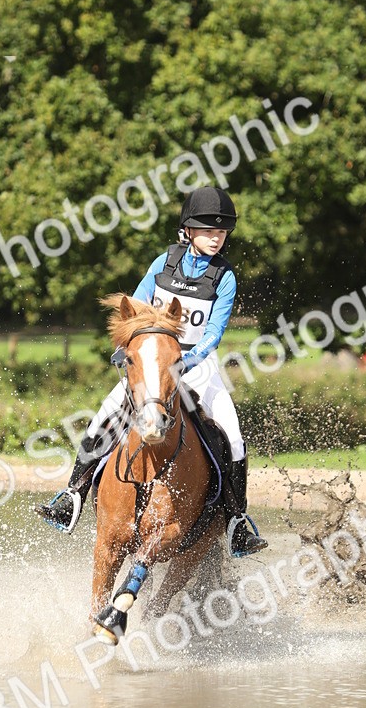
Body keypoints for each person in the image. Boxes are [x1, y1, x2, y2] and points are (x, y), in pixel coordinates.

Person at [35, 185, 268, 557]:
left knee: (234, 437)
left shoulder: (225, 278)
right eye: (208, 230)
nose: (216, 237)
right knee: (104, 416)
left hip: (197, 365)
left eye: (221, 232)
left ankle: (237, 522)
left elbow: (212, 335)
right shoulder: (163, 264)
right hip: (151, 360)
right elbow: (137, 311)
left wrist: (185, 363)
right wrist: (125, 350)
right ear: (188, 231)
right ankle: (73, 494)